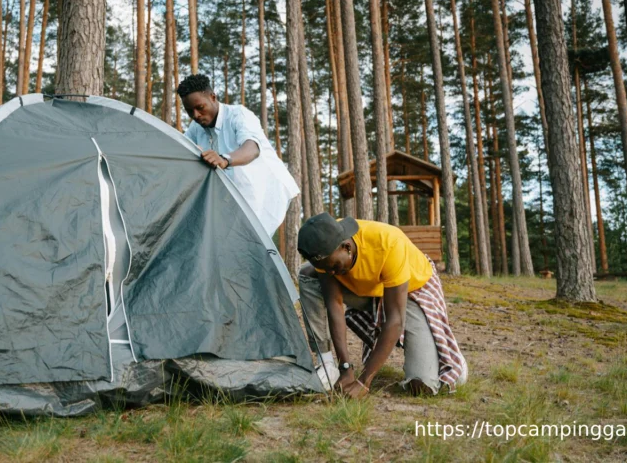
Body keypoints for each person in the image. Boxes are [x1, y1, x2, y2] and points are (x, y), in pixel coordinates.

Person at [296, 213, 467, 398]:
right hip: (371, 292)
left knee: (422, 385)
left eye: (334, 267)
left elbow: (395, 320)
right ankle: (326, 364)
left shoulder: (388, 243)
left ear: (346, 247)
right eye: (326, 269)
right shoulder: (322, 242)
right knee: (307, 274)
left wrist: (364, 382)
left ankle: (451, 359)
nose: (331, 273)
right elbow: (334, 305)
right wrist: (345, 368)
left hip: (411, 292)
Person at [178, 74, 298, 235]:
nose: (196, 115)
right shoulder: (196, 127)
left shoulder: (239, 115)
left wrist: (224, 159)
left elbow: (252, 148)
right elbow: (182, 150)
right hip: (234, 198)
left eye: (200, 107)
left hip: (265, 193)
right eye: (189, 111)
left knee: (253, 247)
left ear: (213, 97)